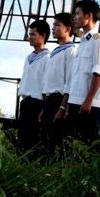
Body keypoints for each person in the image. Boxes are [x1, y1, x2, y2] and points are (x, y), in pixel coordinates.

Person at [61, 0, 100, 144]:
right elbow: (74, 77)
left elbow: (99, 73)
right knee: (71, 145)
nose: (74, 17)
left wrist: (88, 101)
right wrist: (68, 103)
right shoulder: (81, 44)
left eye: (77, 13)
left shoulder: (98, 41)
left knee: (87, 145)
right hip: (75, 102)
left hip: (88, 105)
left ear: (88, 16)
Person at [39, 12, 76, 157]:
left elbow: (70, 81)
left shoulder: (71, 51)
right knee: (46, 141)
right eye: (53, 25)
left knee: (56, 142)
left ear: (67, 28)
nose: (53, 28)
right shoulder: (54, 53)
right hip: (49, 101)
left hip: (59, 101)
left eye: (57, 25)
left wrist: (63, 107)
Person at [17, 20, 50, 153]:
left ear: (42, 36)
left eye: (33, 34)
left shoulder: (47, 58)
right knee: (22, 138)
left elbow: (46, 83)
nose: (29, 37)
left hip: (37, 103)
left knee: (33, 139)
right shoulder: (28, 57)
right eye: (29, 34)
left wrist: (44, 106)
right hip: (26, 101)